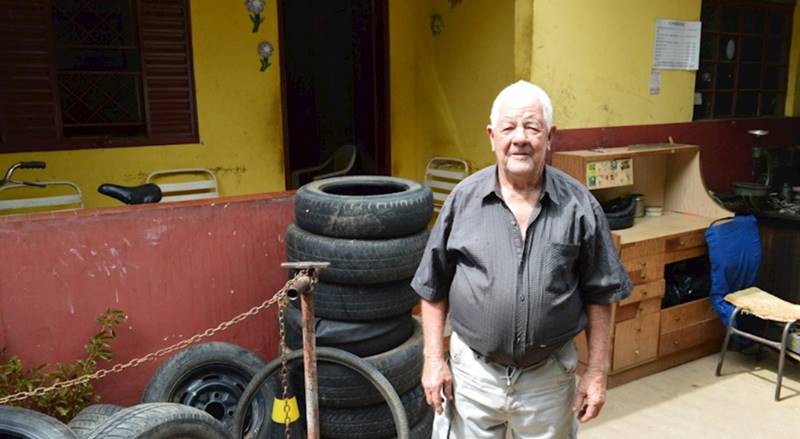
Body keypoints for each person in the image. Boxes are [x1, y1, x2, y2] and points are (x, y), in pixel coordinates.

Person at [411, 80, 632, 438]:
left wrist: (597, 371)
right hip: (474, 376)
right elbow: (432, 286)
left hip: (548, 380)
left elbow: (601, 293)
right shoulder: (463, 200)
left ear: (550, 136)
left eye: (532, 127)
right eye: (509, 127)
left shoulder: (579, 206)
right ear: (491, 136)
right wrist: (434, 361)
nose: (520, 138)